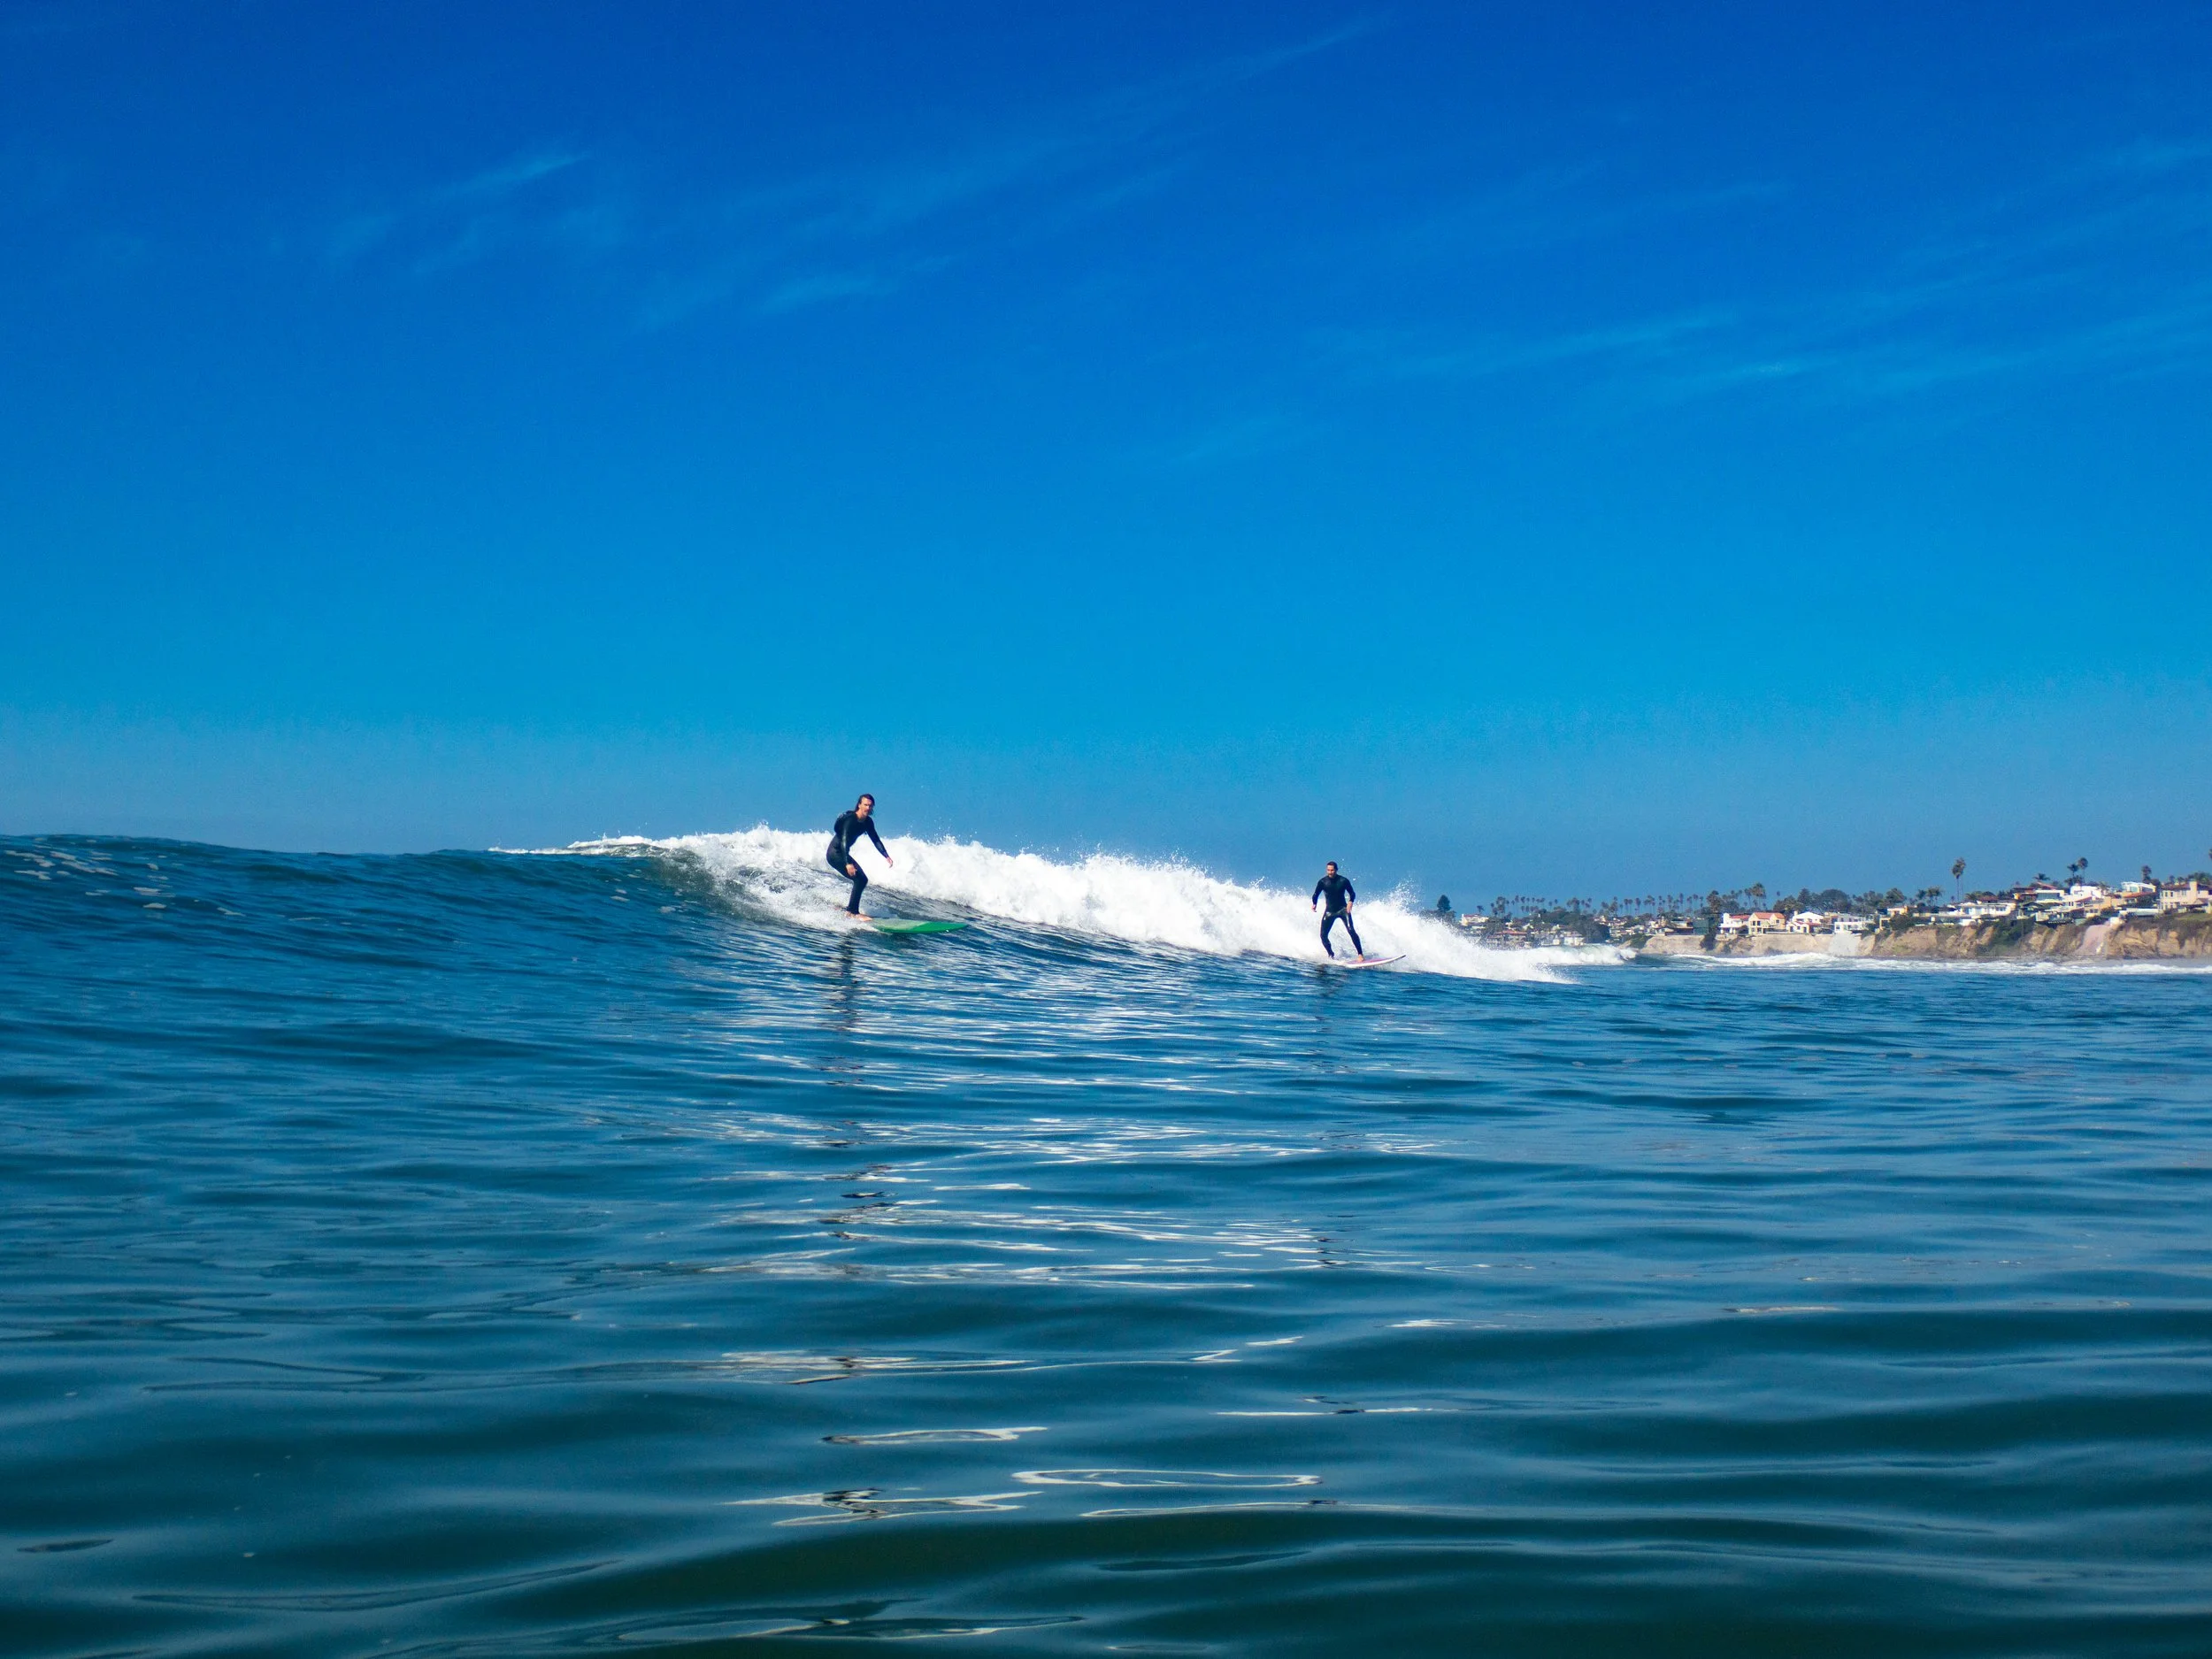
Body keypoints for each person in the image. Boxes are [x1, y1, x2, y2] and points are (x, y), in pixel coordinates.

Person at [826, 794, 891, 916]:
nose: (868, 808)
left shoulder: (868, 822)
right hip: (835, 853)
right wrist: (847, 864)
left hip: (842, 853)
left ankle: (850, 910)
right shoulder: (851, 819)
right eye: (865, 805)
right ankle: (852, 912)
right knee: (860, 879)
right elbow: (844, 841)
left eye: (870, 805)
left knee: (862, 880)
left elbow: (875, 839)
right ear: (859, 805)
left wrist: (886, 855)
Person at [1311, 861, 1364, 958]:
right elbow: (1315, 894)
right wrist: (1314, 903)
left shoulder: (1343, 881)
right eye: (1328, 870)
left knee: (1351, 930)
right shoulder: (1322, 882)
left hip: (1343, 910)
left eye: (1332, 870)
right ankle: (1331, 955)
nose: (1330, 872)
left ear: (1336, 870)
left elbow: (1352, 893)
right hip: (1329, 912)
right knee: (1323, 936)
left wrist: (1350, 902)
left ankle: (1360, 954)